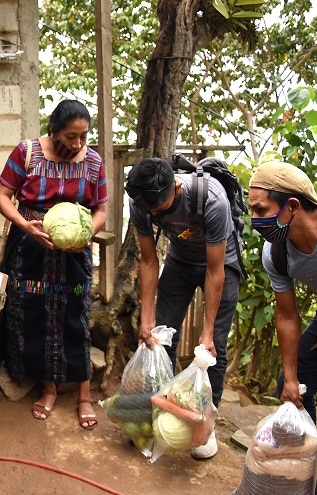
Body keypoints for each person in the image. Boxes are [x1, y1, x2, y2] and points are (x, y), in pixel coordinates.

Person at [0, 100, 108, 430]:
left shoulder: (94, 162)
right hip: (30, 248)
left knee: (77, 316)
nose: (77, 144)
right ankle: (49, 389)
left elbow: (100, 209)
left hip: (74, 254)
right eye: (71, 136)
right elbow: (1, 196)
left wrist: (88, 233)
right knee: (36, 314)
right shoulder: (26, 152)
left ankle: (84, 395)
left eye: (83, 136)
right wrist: (24, 224)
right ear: (53, 130)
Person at [248, 160, 317, 495]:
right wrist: (292, 375)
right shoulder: (277, 253)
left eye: (261, 209)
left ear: (292, 206)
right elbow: (286, 315)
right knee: (293, 386)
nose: (255, 220)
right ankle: (303, 482)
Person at [125, 157, 242, 459]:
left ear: (175, 187)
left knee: (213, 346)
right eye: (149, 209)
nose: (153, 213)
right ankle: (160, 412)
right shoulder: (141, 203)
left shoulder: (211, 200)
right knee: (161, 335)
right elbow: (149, 260)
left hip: (221, 261)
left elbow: (215, 270)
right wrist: (146, 317)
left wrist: (206, 332)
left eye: (159, 209)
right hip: (180, 259)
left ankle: (205, 426)